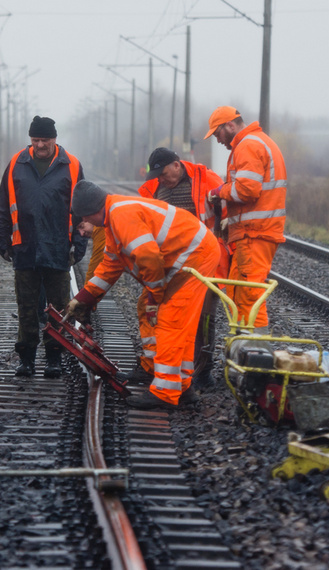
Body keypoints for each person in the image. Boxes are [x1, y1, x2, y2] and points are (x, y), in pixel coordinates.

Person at [65, 181, 220, 411]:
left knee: (170, 319)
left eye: (85, 220)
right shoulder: (113, 220)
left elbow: (149, 258)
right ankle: (180, 386)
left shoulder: (120, 215)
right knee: (164, 316)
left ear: (90, 213)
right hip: (187, 256)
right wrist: (84, 298)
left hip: (194, 257)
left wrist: (155, 298)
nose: (87, 225)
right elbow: (110, 266)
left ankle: (166, 393)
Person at [117, 148, 228, 387]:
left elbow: (228, 213)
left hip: (204, 261)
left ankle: (203, 371)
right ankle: (161, 367)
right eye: (157, 175)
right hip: (171, 264)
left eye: (164, 173)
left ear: (177, 165)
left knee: (203, 317)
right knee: (159, 312)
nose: (162, 179)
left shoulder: (206, 180)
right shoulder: (153, 189)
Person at [0, 115, 87, 378]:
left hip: (58, 248)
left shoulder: (71, 165)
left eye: (44, 140)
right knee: (27, 307)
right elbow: (3, 205)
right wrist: (2, 240)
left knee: (58, 307)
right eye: (35, 140)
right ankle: (27, 359)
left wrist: (78, 244)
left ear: (54, 139)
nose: (40, 145)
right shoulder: (16, 164)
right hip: (25, 247)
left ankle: (54, 358)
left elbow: (81, 209)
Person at [203, 106, 287, 330]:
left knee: (250, 294)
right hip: (251, 232)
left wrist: (218, 192)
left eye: (217, 133)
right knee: (238, 291)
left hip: (255, 232)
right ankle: (243, 345)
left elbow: (247, 190)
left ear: (230, 125)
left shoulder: (248, 145)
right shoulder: (256, 142)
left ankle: (256, 351)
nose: (218, 139)